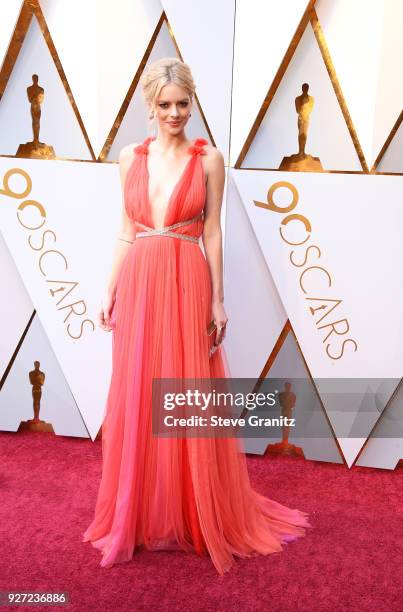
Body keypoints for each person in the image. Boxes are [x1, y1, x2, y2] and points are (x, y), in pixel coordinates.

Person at [82, 57, 311, 575]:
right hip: (140, 278)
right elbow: (126, 230)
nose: (175, 113)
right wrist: (109, 289)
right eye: (165, 105)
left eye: (183, 103)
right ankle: (138, 514)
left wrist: (218, 298)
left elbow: (212, 231)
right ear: (149, 105)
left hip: (187, 278)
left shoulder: (209, 159)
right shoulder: (128, 159)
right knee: (138, 390)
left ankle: (194, 509)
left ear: (193, 101)